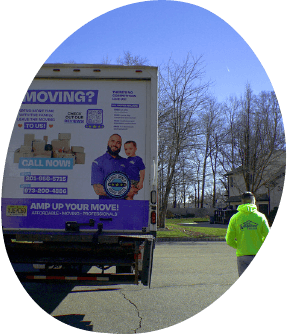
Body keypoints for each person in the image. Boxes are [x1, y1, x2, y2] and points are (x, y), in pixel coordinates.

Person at [225, 191, 270, 277]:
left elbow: (229, 240)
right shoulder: (260, 217)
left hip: (243, 255)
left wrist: (240, 246)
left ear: (242, 201)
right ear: (254, 201)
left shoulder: (235, 218)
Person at [91, 134, 137, 199]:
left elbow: (133, 188)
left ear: (121, 146)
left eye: (118, 143)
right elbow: (98, 190)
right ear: (108, 142)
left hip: (124, 206)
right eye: (112, 141)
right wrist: (124, 192)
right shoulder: (98, 162)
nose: (115, 144)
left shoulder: (126, 162)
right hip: (107, 207)